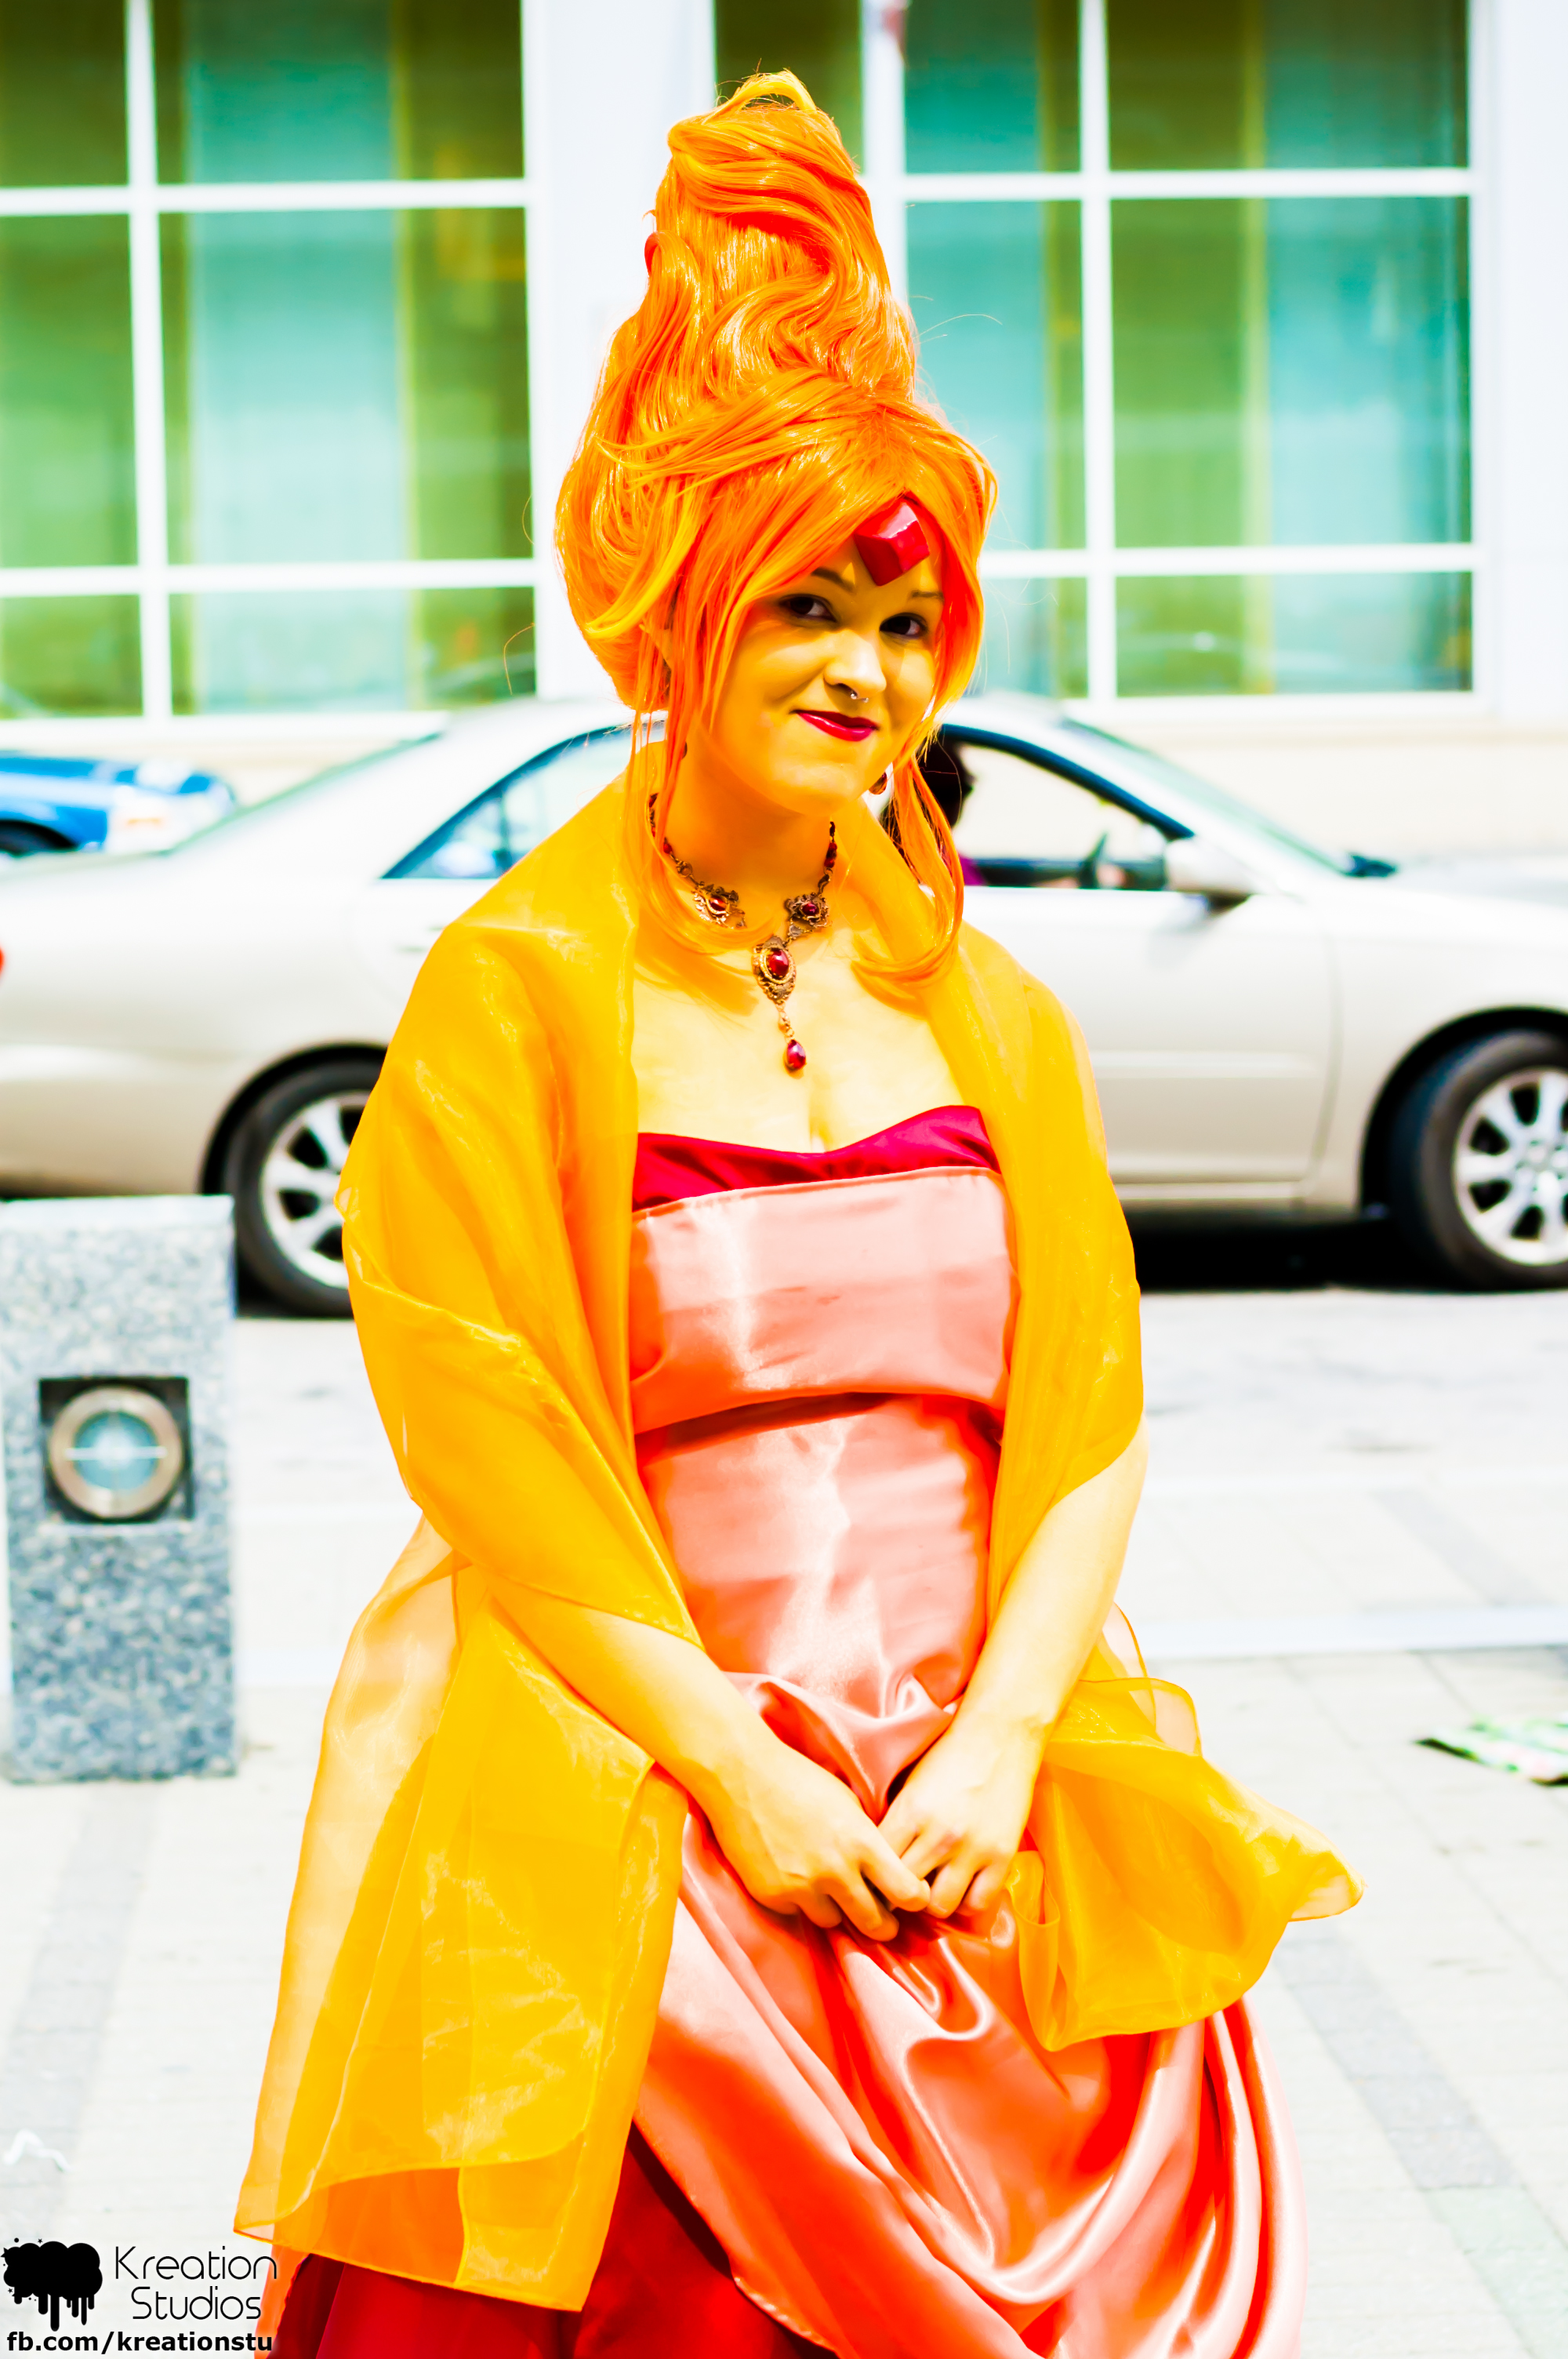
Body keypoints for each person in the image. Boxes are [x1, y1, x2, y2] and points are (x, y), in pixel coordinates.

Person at [239, 75, 1358, 2359]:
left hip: (974, 1808)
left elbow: (1087, 1417)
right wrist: (740, 1773)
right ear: (684, 623)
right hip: (647, 1795)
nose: (870, 670)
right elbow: (488, 1444)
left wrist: (1007, 1742)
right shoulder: (516, 992)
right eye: (810, 608)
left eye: (909, 619)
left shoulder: (992, 1005)